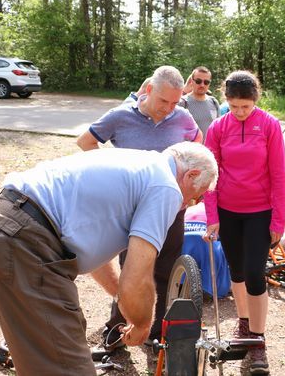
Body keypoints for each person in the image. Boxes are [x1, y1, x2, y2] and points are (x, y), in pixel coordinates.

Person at [0, 142, 218, 375]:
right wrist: (143, 324)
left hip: (5, 229)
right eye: (196, 197)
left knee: (52, 348)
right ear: (191, 174)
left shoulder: (142, 165)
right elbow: (137, 276)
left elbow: (94, 253)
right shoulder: (166, 187)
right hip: (27, 240)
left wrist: (126, 305)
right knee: (67, 365)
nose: (188, 204)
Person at [76, 65, 202, 348]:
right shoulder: (121, 116)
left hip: (171, 209)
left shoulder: (182, 117)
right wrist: (111, 173)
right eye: (163, 101)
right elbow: (85, 142)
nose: (169, 108)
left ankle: (157, 330)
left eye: (175, 101)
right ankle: (118, 326)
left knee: (166, 269)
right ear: (148, 90)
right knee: (131, 269)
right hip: (133, 210)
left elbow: (198, 145)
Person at [202, 70, 285, 375]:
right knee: (237, 271)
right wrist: (212, 217)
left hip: (260, 211)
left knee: (254, 273)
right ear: (226, 100)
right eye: (234, 106)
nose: (239, 112)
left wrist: (279, 218)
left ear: (255, 100)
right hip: (227, 210)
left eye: (246, 107)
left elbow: (279, 175)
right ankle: (244, 324)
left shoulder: (269, 125)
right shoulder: (217, 127)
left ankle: (258, 340)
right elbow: (210, 175)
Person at [182, 202, 231, 298]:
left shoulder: (190, 209)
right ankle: (215, 286)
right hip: (207, 244)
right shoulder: (221, 211)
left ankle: (182, 283)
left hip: (184, 244)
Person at [178, 66, 220, 141]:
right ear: (192, 81)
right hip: (189, 151)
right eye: (198, 81)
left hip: (209, 151)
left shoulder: (214, 102)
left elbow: (219, 130)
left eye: (206, 82)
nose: (202, 85)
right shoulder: (182, 103)